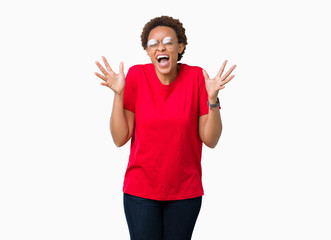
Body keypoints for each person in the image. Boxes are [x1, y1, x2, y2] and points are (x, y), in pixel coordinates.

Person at [95, 15, 236, 240]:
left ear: (180, 47)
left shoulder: (196, 77)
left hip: (185, 192)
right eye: (153, 44)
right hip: (140, 191)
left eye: (168, 42)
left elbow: (210, 140)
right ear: (148, 51)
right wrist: (119, 95)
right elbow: (120, 138)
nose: (160, 46)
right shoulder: (137, 76)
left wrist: (212, 99)